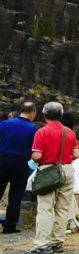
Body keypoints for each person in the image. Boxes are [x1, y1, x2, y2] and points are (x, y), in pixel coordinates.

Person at [29, 101, 79, 254]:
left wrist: (34, 157)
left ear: (44, 115)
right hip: (67, 170)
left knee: (45, 208)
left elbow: (37, 155)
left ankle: (42, 244)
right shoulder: (69, 132)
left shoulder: (42, 132)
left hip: (48, 171)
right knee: (63, 208)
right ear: (61, 115)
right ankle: (57, 242)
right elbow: (76, 154)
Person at [0, 99, 37, 234]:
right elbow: (34, 149)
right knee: (16, 195)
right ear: (33, 113)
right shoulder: (33, 129)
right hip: (21, 162)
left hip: (2, 160)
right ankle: (9, 226)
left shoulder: (4, 124)